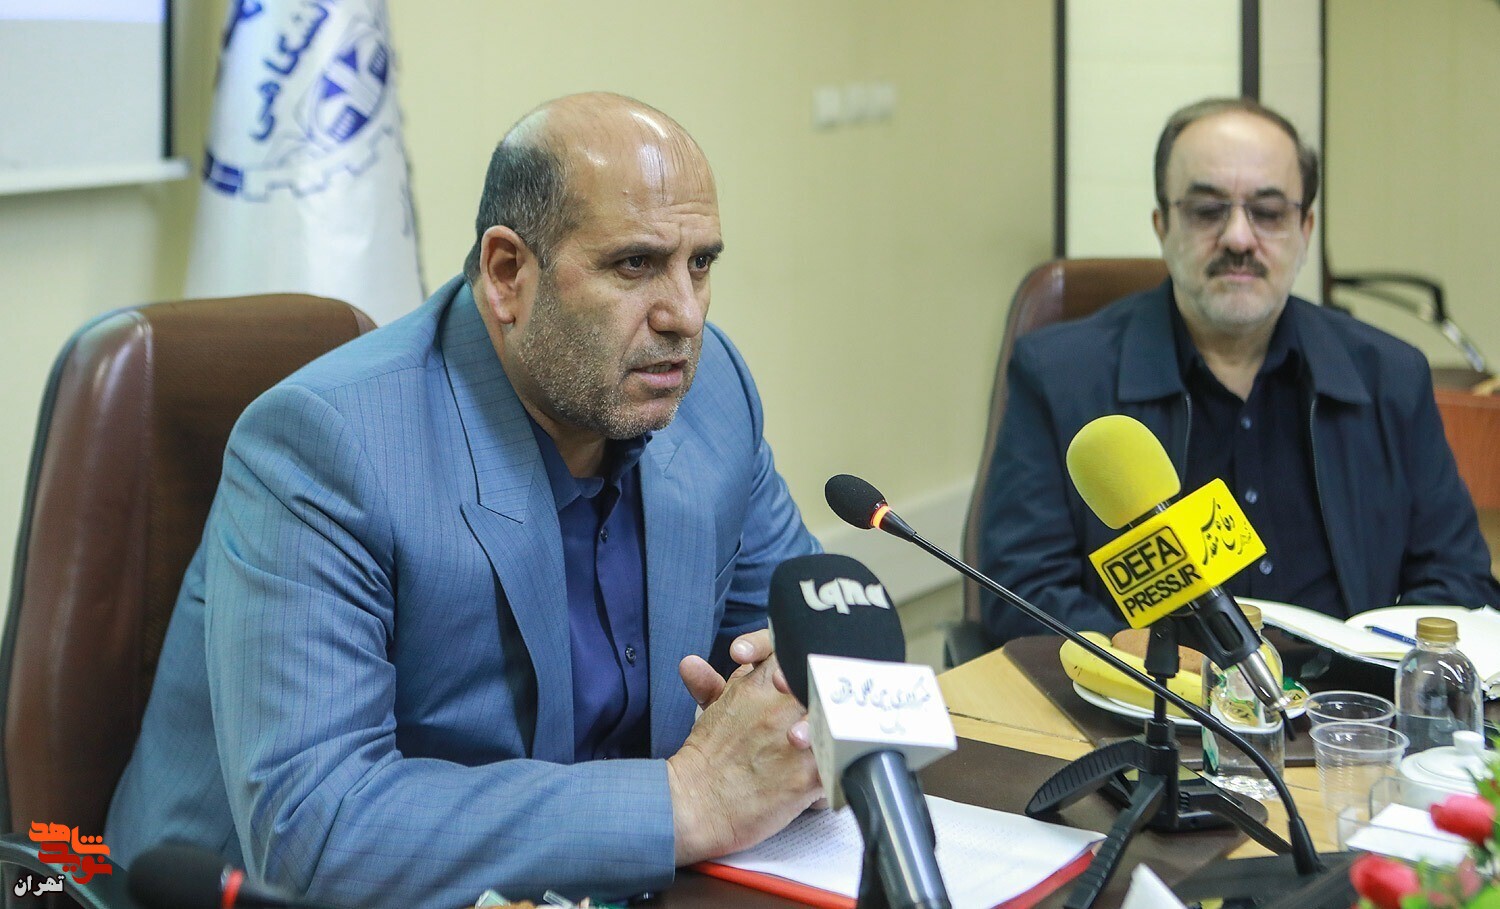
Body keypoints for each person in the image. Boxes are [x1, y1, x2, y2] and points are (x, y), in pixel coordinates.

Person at [106, 93, 824, 907]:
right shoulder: (325, 446)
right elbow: (316, 830)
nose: (684, 316)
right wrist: (685, 799)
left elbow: (811, 656)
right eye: (635, 264)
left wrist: (809, 721)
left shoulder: (711, 393)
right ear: (508, 273)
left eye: (700, 264)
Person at [979, 97, 1499, 646]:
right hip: (1152, 690)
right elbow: (1022, 594)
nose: (1238, 239)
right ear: (1162, 226)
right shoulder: (1059, 376)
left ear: (1305, 229)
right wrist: (1171, 676)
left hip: (1345, 695)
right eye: (1207, 210)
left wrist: (1373, 671)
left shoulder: (1390, 377)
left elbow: (1457, 583)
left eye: (1268, 213)